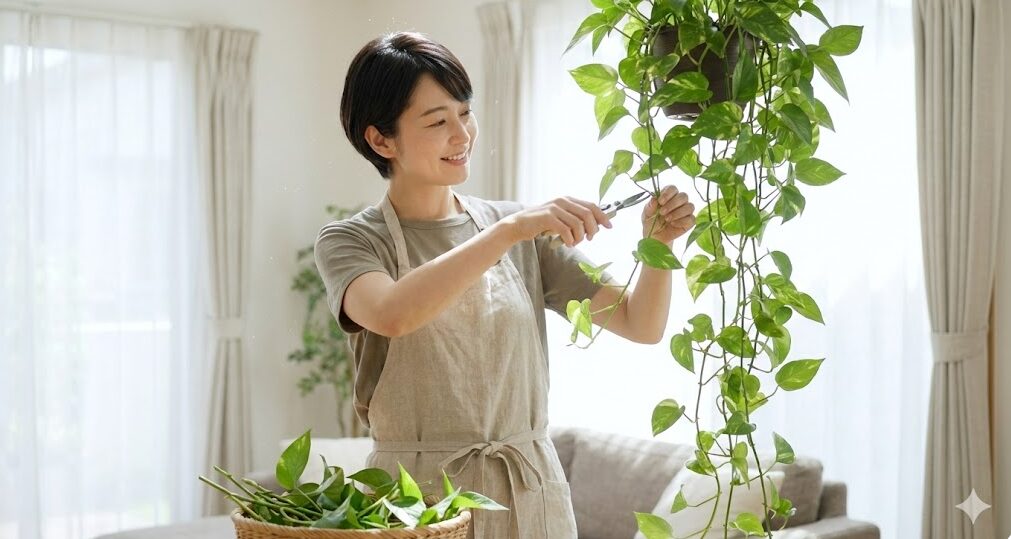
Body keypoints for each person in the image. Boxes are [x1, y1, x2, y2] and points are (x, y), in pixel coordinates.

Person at [314, 31, 696, 539]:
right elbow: (393, 313)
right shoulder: (351, 241)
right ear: (382, 140)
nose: (462, 134)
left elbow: (640, 324)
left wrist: (660, 245)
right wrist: (511, 231)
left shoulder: (520, 229)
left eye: (465, 113)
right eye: (437, 121)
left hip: (530, 495)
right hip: (415, 506)